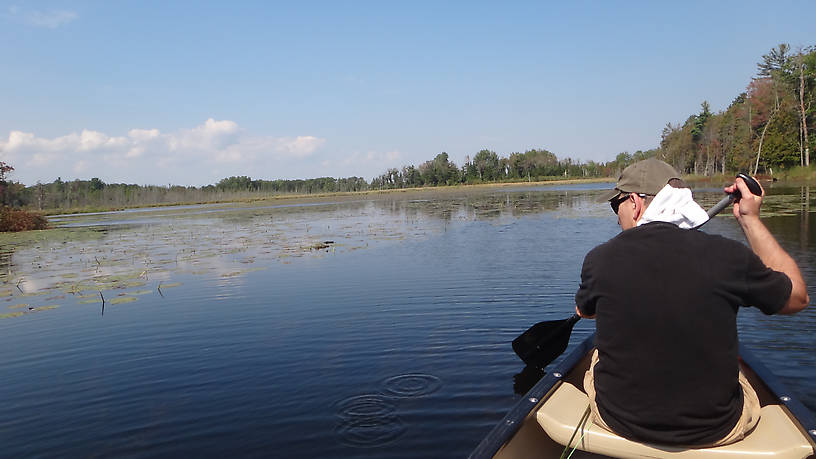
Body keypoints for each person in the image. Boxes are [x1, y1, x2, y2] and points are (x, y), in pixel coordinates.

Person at [574, 158, 809, 447]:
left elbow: (585, 312)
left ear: (635, 203)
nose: (616, 216)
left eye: (616, 205)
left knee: (595, 354)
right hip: (717, 428)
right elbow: (797, 298)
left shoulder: (600, 259)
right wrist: (750, 219)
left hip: (619, 421)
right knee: (740, 368)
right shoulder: (729, 256)